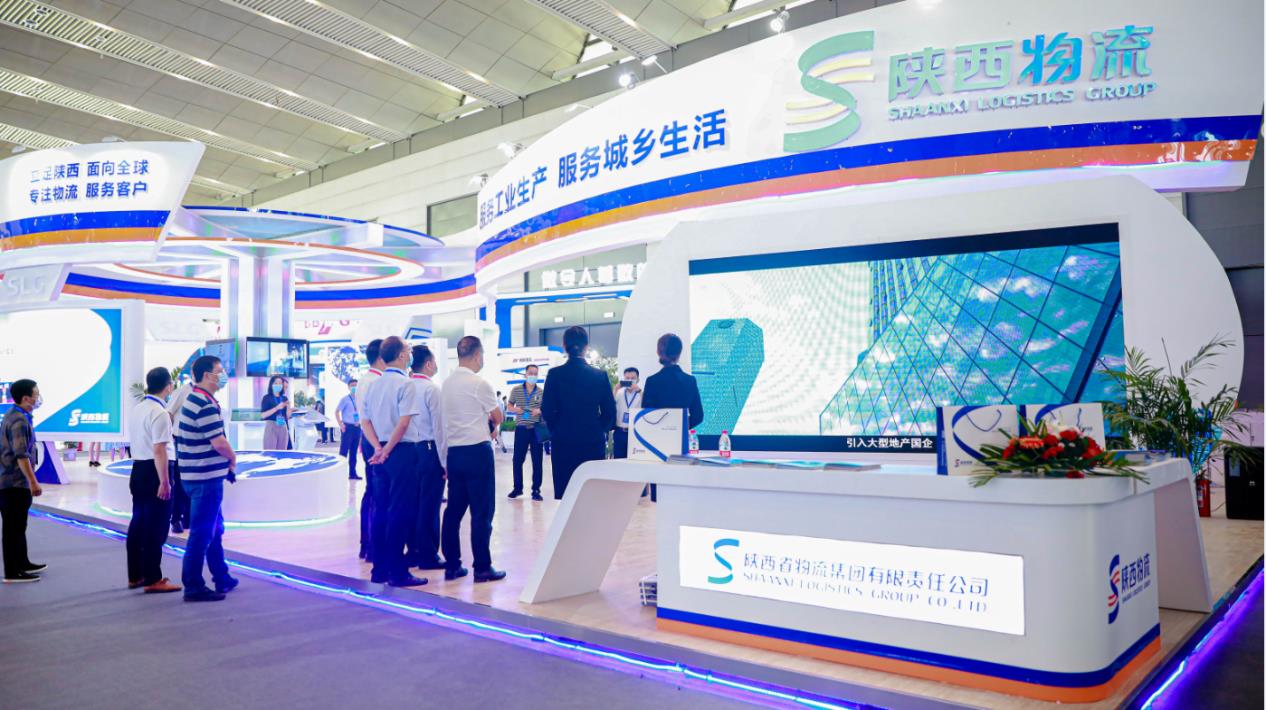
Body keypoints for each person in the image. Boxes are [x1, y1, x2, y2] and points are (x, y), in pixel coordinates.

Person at [362, 336, 427, 587]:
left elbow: (365, 421)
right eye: (408, 351)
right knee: (400, 511)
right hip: (401, 451)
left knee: (381, 509)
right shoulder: (405, 384)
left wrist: (378, 448)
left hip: (380, 452)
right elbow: (404, 422)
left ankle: (379, 569)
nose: (410, 355)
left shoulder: (373, 385)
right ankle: (398, 572)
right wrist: (388, 449)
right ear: (400, 356)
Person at [440, 336, 506, 583]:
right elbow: (498, 417)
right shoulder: (479, 384)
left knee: (453, 511)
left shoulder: (446, 384)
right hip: (477, 452)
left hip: (455, 453)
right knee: (482, 512)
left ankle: (452, 565)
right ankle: (482, 567)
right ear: (477, 355)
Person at [174, 355, 238, 602]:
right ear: (207, 375)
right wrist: (232, 458)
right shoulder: (203, 403)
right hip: (204, 478)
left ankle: (221, 575)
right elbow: (219, 442)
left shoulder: (197, 399)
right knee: (202, 533)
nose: (223, 376)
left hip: (199, 475)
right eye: (220, 371)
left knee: (214, 529)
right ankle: (193, 585)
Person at [541, 327, 616, 500]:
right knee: (591, 495)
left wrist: (557, 429)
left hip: (563, 442)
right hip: (592, 443)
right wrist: (597, 429)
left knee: (565, 495)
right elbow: (610, 412)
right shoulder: (600, 376)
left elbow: (547, 410)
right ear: (586, 347)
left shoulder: (554, 375)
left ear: (564, 346)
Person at [125, 367, 180, 594]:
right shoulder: (159, 413)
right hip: (154, 471)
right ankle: (153, 578)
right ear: (169, 386)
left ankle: (136, 575)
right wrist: (164, 482)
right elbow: (159, 450)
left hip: (138, 469)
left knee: (138, 523)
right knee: (155, 526)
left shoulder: (138, 409)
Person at [641, 334, 705, 501]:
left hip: (657, 447)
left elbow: (646, 417)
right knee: (680, 493)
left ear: (658, 351)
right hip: (681, 445)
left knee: (660, 497)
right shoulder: (690, 381)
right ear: (679, 352)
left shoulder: (652, 381)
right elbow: (699, 416)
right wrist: (680, 428)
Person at [1, 379, 45, 583]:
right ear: (26, 398)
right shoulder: (18, 421)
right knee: (13, 527)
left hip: (13, 482)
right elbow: (21, 455)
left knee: (19, 525)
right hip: (13, 483)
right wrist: (33, 482)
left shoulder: (16, 415)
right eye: (36, 394)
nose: (38, 397)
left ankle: (22, 562)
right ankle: (13, 571)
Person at [408, 344, 447, 570]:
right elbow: (439, 429)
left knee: (413, 502)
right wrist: (445, 462)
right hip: (429, 449)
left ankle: (414, 550)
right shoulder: (431, 389)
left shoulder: (405, 386)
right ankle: (428, 554)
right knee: (430, 504)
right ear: (429, 364)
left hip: (409, 450)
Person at [355, 339, 386, 561]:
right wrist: (378, 446)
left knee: (372, 491)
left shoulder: (365, 380)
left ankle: (367, 545)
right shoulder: (376, 381)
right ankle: (373, 547)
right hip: (376, 440)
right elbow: (372, 418)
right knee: (378, 492)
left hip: (369, 439)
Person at [506, 364, 545, 501]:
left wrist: (539, 410)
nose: (533, 376)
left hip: (536, 429)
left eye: (535, 373)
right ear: (525, 374)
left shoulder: (540, 392)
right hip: (521, 429)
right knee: (517, 459)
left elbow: (545, 408)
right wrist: (515, 409)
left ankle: (536, 490)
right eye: (530, 373)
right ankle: (517, 488)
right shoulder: (516, 390)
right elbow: (509, 405)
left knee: (537, 461)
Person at [166, 379, 194, 534]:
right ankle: (176, 518)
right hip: (181, 441)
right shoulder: (182, 391)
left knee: (193, 481)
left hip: (196, 443)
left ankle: (188, 518)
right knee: (181, 481)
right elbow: (169, 413)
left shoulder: (205, 393)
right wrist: (170, 435)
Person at [336, 379, 363, 481]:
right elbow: (336, 411)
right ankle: (339, 474)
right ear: (348, 387)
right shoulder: (345, 399)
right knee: (344, 451)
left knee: (354, 451)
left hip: (357, 427)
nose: (354, 387)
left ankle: (352, 473)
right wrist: (341, 424)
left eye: (356, 385)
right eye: (352, 385)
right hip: (347, 428)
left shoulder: (360, 399)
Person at [612, 367, 642, 459]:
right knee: (618, 459)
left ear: (638, 379)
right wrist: (615, 389)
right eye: (627, 378)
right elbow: (610, 405)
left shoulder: (641, 393)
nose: (630, 380)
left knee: (635, 460)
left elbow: (647, 406)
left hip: (635, 432)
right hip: (620, 432)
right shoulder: (619, 393)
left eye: (633, 378)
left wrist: (639, 391)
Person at [260, 375, 292, 450]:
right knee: (270, 452)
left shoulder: (284, 398)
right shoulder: (267, 398)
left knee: (282, 452)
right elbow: (263, 415)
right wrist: (277, 408)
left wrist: (288, 407)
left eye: (280, 383)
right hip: (271, 425)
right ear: (271, 385)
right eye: (276, 383)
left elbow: (287, 416)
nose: (278, 385)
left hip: (283, 425)